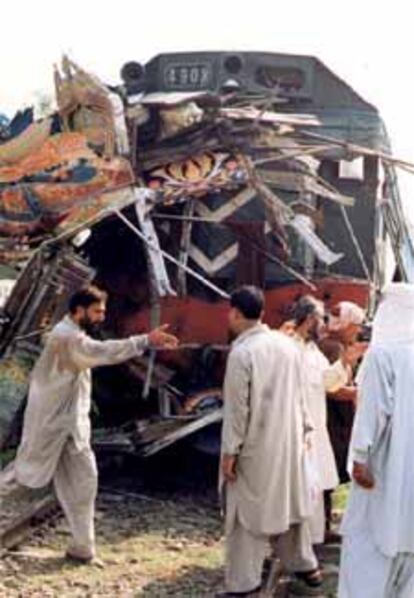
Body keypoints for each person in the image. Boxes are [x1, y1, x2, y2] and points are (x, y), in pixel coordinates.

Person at [8, 285, 178, 564]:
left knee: (81, 484)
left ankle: (82, 549)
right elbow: (103, 352)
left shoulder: (72, 335)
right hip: (53, 427)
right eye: (97, 311)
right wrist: (145, 340)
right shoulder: (67, 338)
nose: (102, 317)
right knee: (21, 478)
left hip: (67, 428)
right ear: (79, 310)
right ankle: (82, 548)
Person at [220, 286, 320, 597]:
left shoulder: (242, 353)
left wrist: (229, 453)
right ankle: (306, 566)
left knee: (245, 516)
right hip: (289, 441)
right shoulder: (287, 345)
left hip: (255, 446)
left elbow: (237, 411)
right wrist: (304, 430)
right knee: (289, 504)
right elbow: (302, 395)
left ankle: (243, 584)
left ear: (236, 313)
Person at [338, 283, 414, 598]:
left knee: (368, 554)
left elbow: (372, 413)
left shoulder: (382, 355)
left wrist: (359, 459)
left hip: (383, 472)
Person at [288, 296, 354, 545]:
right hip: (294, 428)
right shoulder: (288, 347)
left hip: (315, 426)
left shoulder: (312, 349)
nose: (324, 325)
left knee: (315, 485)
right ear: (308, 320)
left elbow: (327, 382)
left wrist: (345, 362)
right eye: (320, 319)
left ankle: (312, 544)